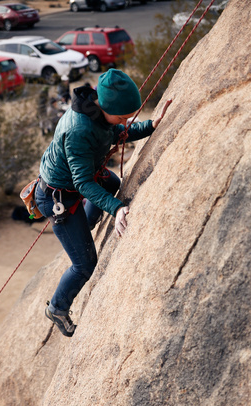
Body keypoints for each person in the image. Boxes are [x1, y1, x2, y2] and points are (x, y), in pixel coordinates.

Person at [35, 68, 171, 337]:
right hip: (58, 198)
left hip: (78, 182)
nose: (126, 121)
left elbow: (117, 132)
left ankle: (84, 226)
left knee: (112, 184)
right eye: (123, 116)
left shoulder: (98, 113)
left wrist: (150, 126)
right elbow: (84, 184)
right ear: (106, 106)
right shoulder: (79, 130)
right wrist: (118, 208)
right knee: (85, 264)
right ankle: (58, 307)